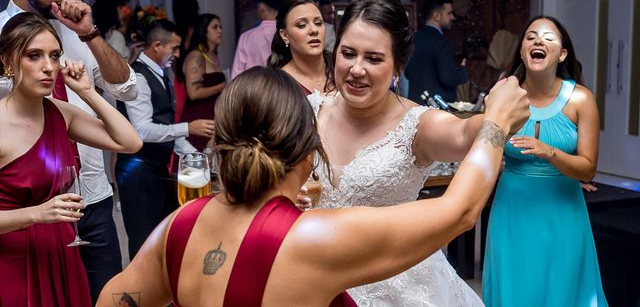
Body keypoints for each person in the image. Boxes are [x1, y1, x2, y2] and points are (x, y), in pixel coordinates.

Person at [97, 66, 528, 307]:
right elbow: (460, 211)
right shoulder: (311, 238)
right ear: (308, 149)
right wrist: (495, 124)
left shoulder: (180, 225)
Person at [308, 0, 486, 306]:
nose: (356, 69)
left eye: (374, 59)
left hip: (399, 286)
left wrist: (498, 115)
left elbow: (464, 134)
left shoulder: (416, 125)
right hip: (315, 278)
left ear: (398, 66)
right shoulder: (306, 112)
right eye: (348, 54)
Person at [0, 0, 138, 302]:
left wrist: (90, 34)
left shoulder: (78, 32)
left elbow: (127, 89)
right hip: (25, 209)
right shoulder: (0, 35)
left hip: (88, 195)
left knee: (103, 295)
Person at [482, 16, 608, 306]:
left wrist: (551, 153)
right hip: (512, 209)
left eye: (548, 37)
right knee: (515, 287)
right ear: (523, 50)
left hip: (562, 211)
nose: (538, 41)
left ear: (562, 54)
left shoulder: (580, 100)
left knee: (561, 288)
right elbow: (486, 146)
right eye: (531, 37)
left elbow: (588, 168)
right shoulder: (505, 94)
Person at [116, 19, 214, 259]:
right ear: (157, 45)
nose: (178, 54)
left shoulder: (159, 74)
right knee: (143, 243)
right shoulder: (138, 77)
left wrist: (199, 157)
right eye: (175, 48)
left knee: (165, 237)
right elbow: (142, 131)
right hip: (137, 172)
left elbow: (167, 129)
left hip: (156, 171)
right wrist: (188, 127)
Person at [405, 0, 467, 103]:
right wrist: (462, 71)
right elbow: (448, 78)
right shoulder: (443, 42)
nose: (453, 17)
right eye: (449, 13)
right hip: (437, 108)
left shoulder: (412, 39)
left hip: (414, 105)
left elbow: (407, 72)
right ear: (437, 16)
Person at [268, 0, 333, 95]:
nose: (314, 30)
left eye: (318, 23)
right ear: (285, 35)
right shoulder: (278, 85)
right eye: (302, 25)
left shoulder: (340, 71)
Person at [181, 13, 226, 150]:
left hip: (214, 114)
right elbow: (193, 93)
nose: (220, 31)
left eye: (220, 27)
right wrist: (220, 87)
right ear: (203, 30)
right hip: (200, 115)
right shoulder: (196, 56)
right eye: (215, 27)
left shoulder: (212, 55)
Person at [231, 0, 284, 78]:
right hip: (282, 89)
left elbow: (237, 74)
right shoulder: (289, 35)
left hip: (253, 89)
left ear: (262, 6)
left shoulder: (246, 37)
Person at [172, 0, 200, 122]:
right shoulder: (199, 31)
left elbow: (174, 63)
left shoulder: (176, 32)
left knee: (182, 115)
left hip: (179, 79)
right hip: (193, 78)